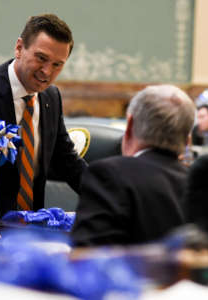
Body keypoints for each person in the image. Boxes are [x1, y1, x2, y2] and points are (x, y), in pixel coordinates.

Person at [0, 14, 87, 222]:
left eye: (57, 65)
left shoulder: (51, 97)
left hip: (31, 227)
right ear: (19, 48)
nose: (47, 71)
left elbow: (66, 159)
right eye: (41, 58)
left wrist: (110, 195)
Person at [71, 85, 196, 246]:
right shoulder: (199, 186)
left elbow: (87, 257)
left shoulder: (109, 175)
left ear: (129, 126)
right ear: (187, 141)